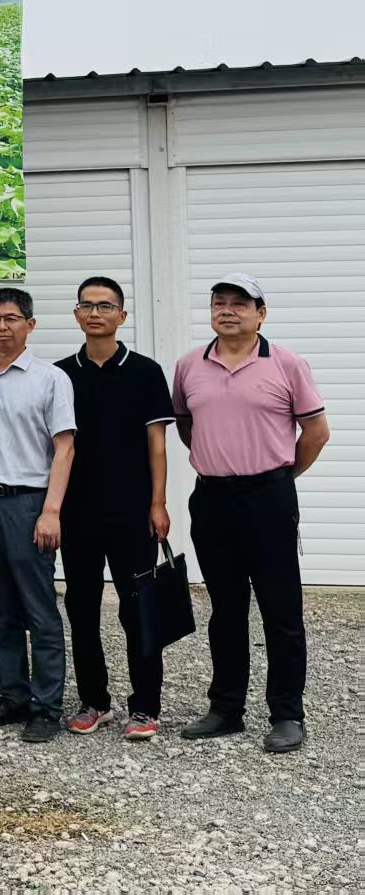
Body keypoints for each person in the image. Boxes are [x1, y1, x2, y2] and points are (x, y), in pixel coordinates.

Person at [174, 274, 329, 754]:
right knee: (225, 609)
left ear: (261, 314)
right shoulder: (189, 365)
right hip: (212, 499)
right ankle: (226, 708)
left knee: (281, 611)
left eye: (239, 303)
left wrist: (280, 477)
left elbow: (316, 432)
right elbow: (186, 425)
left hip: (269, 498)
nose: (227, 310)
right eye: (219, 302)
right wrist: (220, 464)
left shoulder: (286, 363)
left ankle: (287, 714)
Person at [55, 276, 175, 741]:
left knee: (138, 609)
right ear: (76, 315)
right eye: (87, 305)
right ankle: (95, 702)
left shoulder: (145, 372)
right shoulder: (60, 374)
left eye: (105, 306)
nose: (95, 313)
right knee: (82, 608)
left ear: (121, 316)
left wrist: (158, 503)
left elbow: (157, 445)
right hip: (78, 512)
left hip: (132, 511)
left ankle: (145, 706)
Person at [0, 288, 76, 743]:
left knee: (39, 608)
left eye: (11, 318)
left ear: (30, 325)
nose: (2, 326)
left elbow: (65, 448)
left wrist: (52, 511)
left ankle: (47, 706)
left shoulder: (51, 379)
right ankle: (13, 694)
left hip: (29, 503)